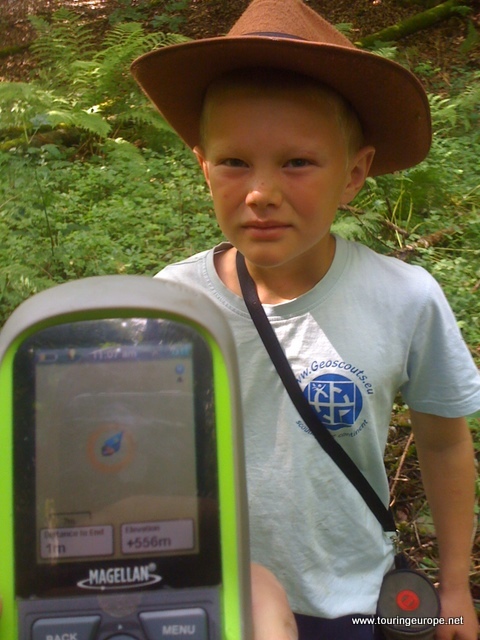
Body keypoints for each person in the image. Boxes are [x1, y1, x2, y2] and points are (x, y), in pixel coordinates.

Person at [131, 1, 480, 638]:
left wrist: (454, 585)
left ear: (354, 172)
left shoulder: (405, 298)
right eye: (235, 162)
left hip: (346, 602)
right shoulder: (170, 303)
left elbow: (444, 441)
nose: (261, 192)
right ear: (203, 164)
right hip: (207, 598)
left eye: (297, 162)